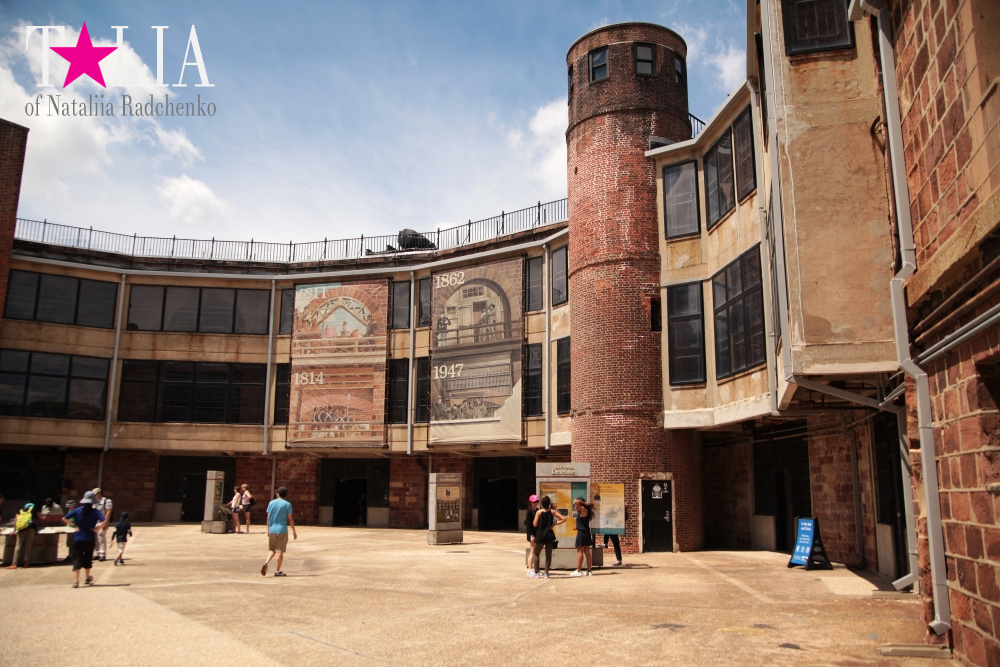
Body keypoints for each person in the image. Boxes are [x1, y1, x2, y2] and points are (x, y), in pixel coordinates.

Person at [63, 492, 107, 588]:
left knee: (77, 559)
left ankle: (76, 581)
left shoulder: (77, 510)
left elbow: (64, 518)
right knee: (87, 558)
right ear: (92, 502)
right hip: (89, 538)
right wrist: (97, 529)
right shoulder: (95, 512)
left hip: (78, 538)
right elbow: (104, 520)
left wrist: (74, 526)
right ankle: (87, 578)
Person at [261, 486, 297, 577]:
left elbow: (268, 517)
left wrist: (268, 529)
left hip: (272, 529)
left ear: (278, 493)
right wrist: (294, 531)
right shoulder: (287, 504)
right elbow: (290, 519)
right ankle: (278, 570)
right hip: (282, 530)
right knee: (280, 551)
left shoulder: (271, 503)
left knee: (272, 549)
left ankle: (266, 562)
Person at [531, 496, 565, 579]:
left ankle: (537, 572)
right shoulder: (552, 511)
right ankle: (546, 573)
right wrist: (554, 524)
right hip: (549, 535)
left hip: (540, 535)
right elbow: (563, 519)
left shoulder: (539, 512)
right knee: (548, 555)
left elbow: (535, 524)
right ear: (549, 503)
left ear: (542, 503)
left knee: (536, 553)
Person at [6, 502, 39, 569]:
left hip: (21, 529)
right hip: (31, 529)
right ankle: (26, 564)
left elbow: (16, 519)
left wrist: (15, 529)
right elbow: (40, 518)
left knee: (18, 545)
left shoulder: (21, 510)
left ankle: (14, 564)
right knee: (28, 546)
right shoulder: (35, 509)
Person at [571, 497, 595, 577]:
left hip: (582, 533)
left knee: (580, 551)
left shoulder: (583, 510)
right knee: (587, 551)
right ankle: (589, 570)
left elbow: (576, 501)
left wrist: (584, 503)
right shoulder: (585, 511)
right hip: (586, 532)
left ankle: (578, 570)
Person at [93, 488, 113, 561]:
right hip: (94, 522)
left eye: (95, 494)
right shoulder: (94, 502)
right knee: (95, 538)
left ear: (99, 493)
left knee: (101, 537)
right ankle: (97, 553)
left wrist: (105, 523)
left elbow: (108, 512)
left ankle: (102, 554)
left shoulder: (106, 501)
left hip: (102, 522)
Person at [524, 494, 539, 577]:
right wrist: (531, 535)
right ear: (530, 502)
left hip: (537, 533)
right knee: (532, 550)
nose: (536, 503)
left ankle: (533, 567)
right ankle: (530, 568)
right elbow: (528, 524)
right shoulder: (529, 511)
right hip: (532, 534)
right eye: (534, 502)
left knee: (535, 551)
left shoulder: (537, 510)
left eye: (537, 501)